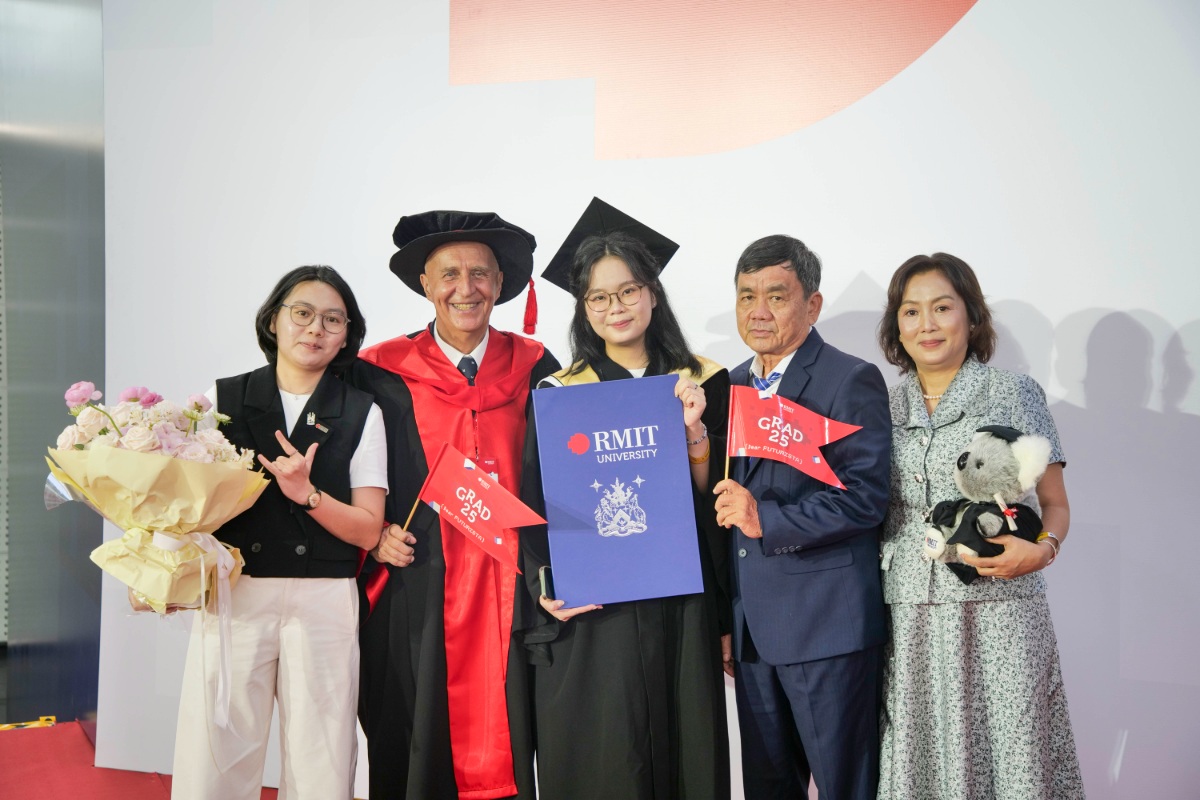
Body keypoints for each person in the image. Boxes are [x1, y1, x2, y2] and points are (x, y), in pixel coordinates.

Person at [346, 211, 560, 800]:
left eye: (480, 274)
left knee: (520, 729)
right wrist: (374, 532)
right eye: (449, 275)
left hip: (512, 584)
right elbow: (348, 470)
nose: (465, 289)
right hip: (419, 582)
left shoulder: (537, 368)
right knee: (414, 731)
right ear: (424, 284)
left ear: (500, 283)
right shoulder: (380, 374)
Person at [522, 226, 732, 799]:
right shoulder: (560, 393)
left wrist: (693, 433)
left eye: (629, 290)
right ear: (584, 309)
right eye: (599, 297)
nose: (616, 307)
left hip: (682, 594)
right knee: (613, 753)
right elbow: (538, 500)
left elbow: (714, 497)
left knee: (687, 745)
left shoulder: (705, 380)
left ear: (653, 294)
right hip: (602, 604)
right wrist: (546, 581)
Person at [172, 265, 388, 800]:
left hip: (325, 600)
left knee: (323, 755)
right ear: (273, 321)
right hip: (237, 591)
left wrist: (308, 495)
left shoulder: (362, 411)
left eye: (333, 319)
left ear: (347, 336)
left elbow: (367, 531)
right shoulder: (220, 399)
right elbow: (182, 503)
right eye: (303, 313)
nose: (315, 328)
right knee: (216, 751)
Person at [874, 253, 1084, 799]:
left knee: (1014, 762)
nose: (927, 324)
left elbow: (1055, 503)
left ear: (970, 315)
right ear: (897, 325)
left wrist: (1043, 549)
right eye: (911, 311)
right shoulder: (881, 406)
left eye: (942, 308)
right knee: (920, 767)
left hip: (1000, 614)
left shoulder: (1013, 393)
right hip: (909, 618)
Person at [712, 234, 891, 800]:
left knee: (846, 787)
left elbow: (866, 497)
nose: (757, 311)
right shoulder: (727, 385)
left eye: (775, 296)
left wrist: (767, 519)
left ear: (812, 305)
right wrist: (724, 620)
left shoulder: (850, 378)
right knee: (767, 789)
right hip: (750, 634)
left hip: (826, 627)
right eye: (745, 297)